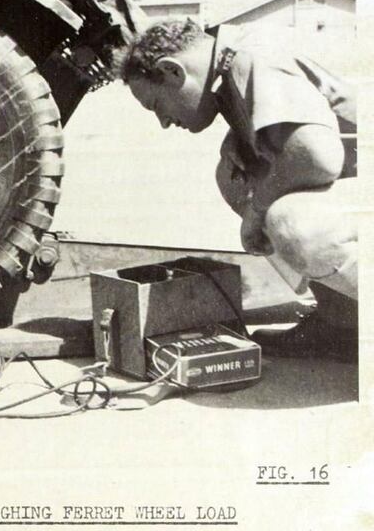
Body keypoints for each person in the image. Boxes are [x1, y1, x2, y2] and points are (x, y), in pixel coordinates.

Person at [118, 19, 358, 361]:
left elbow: (318, 158)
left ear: (172, 72)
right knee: (235, 177)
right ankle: (344, 322)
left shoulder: (252, 56)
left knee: (293, 222)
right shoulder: (233, 61)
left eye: (157, 105)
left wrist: (257, 211)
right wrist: (241, 139)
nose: (164, 122)